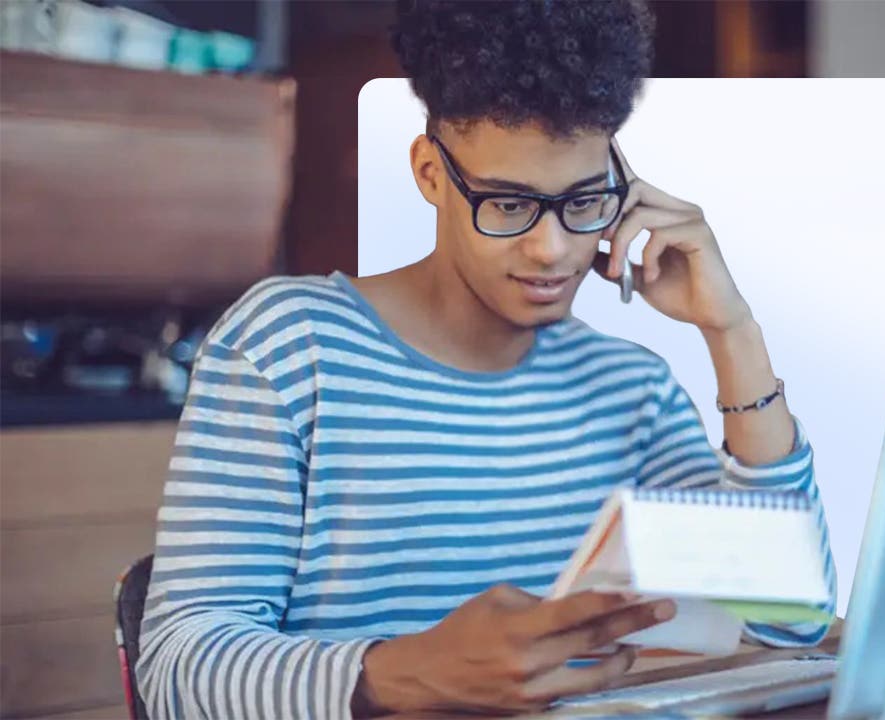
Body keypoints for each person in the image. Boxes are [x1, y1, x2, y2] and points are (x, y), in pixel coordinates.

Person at [137, 1, 836, 717]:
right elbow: (174, 671)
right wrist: (405, 674)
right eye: (508, 205)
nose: (553, 248)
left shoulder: (633, 389)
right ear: (430, 174)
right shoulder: (289, 349)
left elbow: (789, 619)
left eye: (584, 201)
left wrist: (733, 331)